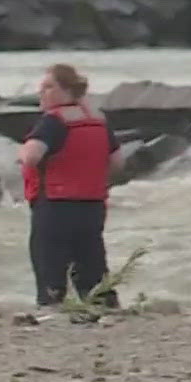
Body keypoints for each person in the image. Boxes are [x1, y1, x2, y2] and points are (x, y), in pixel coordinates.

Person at [19, 64, 120, 308]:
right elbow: (117, 161)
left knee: (49, 263)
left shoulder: (53, 122)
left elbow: (32, 156)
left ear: (66, 90)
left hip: (55, 204)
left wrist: (21, 152)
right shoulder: (97, 120)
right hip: (93, 204)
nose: (41, 93)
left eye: (48, 87)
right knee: (91, 261)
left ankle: (51, 306)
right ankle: (102, 306)